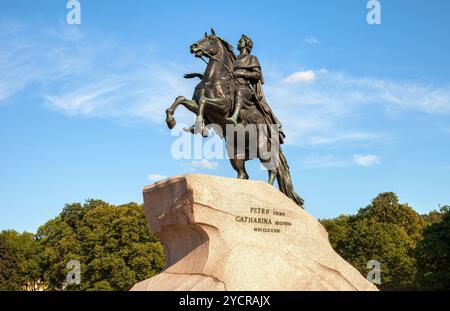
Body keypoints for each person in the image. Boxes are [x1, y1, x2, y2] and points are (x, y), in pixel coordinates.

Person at [226, 35, 285, 143]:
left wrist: (242, 73)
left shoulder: (252, 58)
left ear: (246, 44)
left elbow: (257, 75)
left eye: (241, 41)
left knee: (240, 91)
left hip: (245, 88)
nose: (238, 42)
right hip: (231, 85)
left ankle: (234, 116)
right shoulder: (233, 58)